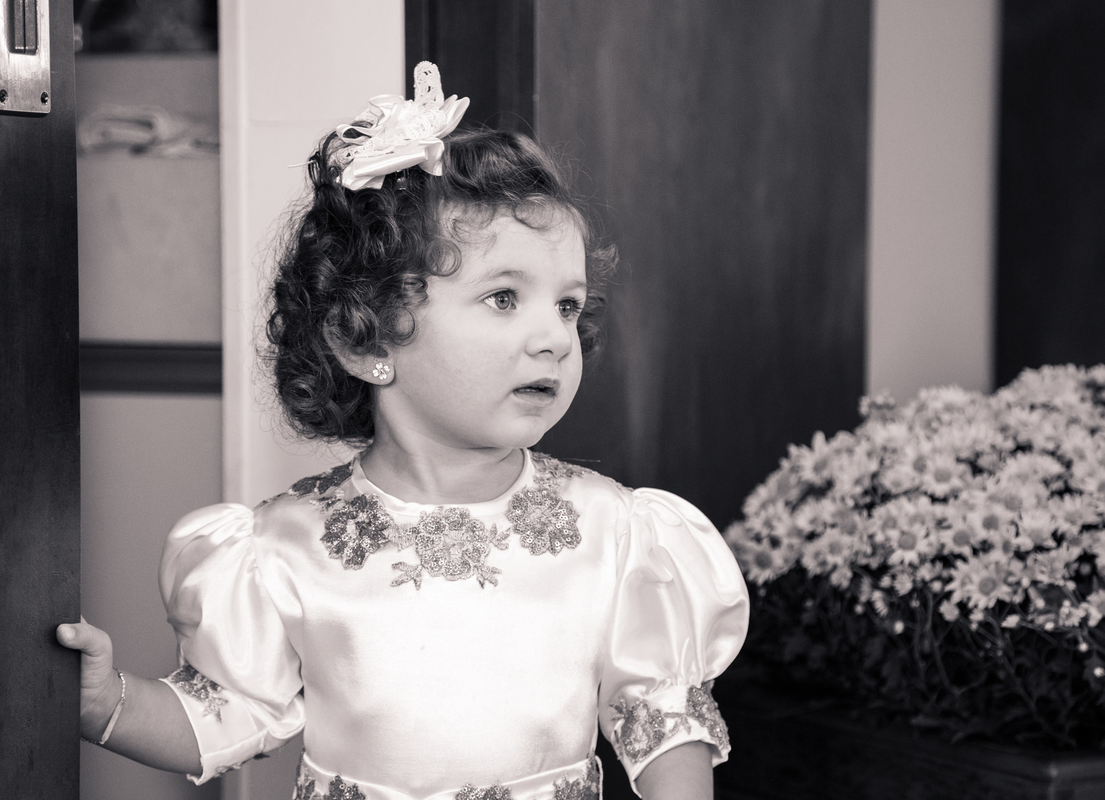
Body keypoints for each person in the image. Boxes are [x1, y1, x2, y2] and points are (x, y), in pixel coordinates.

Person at [57, 62, 749, 800]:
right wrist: (106, 703)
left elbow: (662, 718)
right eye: (504, 298)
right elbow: (221, 714)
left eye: (568, 306)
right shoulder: (285, 547)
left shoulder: (613, 533)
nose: (555, 337)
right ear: (367, 340)